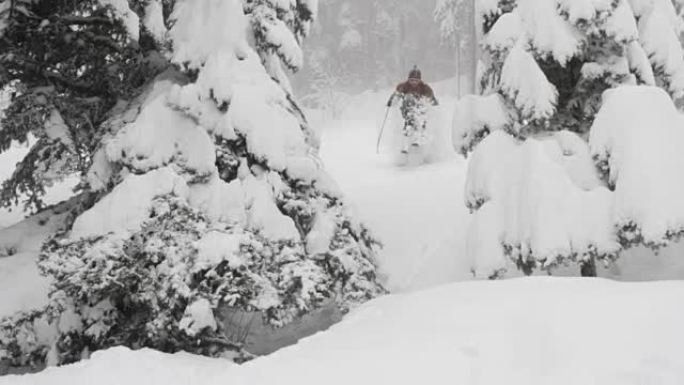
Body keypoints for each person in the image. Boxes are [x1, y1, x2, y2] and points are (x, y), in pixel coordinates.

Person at [386, 66, 439, 152]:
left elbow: (432, 101)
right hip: (407, 109)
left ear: (420, 80)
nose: (414, 82)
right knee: (409, 100)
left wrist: (434, 106)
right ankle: (406, 142)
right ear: (408, 79)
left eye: (416, 80)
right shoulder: (403, 86)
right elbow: (396, 95)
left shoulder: (425, 88)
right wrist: (391, 102)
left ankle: (419, 137)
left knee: (421, 113)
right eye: (411, 80)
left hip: (420, 110)